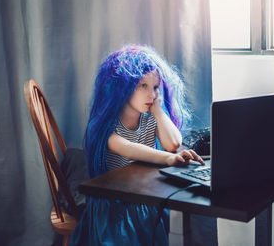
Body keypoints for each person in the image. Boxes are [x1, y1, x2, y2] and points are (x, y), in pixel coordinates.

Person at [70, 45, 204, 246]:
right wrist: (168, 158)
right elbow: (129, 148)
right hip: (116, 205)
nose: (152, 94)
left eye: (156, 87)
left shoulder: (149, 118)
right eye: (143, 86)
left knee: (173, 214)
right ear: (121, 87)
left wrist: (158, 111)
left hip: (143, 196)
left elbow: (174, 142)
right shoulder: (106, 127)